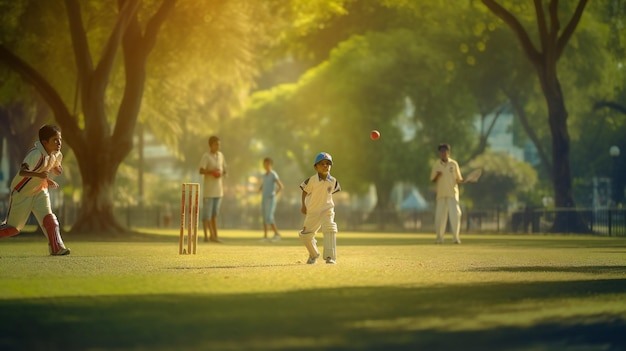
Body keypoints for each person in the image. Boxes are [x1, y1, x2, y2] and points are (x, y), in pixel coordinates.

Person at [0, 125, 70, 255]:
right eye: (55, 140)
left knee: (49, 219)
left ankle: (57, 248)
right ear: (45, 142)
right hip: (22, 192)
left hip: (40, 190)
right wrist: (39, 176)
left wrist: (52, 174)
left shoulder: (55, 154)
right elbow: (22, 172)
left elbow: (55, 167)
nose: (59, 143)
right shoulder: (35, 154)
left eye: (60, 139)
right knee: (13, 229)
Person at [298, 152, 341, 264]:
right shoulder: (312, 180)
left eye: (328, 163)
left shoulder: (334, 181)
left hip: (327, 209)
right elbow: (304, 191)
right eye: (322, 164)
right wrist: (303, 205)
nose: (325, 166)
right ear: (315, 167)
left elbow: (331, 194)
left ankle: (330, 257)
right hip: (313, 211)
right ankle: (313, 254)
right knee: (305, 235)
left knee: (330, 228)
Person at [430, 143, 463, 244]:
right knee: (440, 217)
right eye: (441, 151)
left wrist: (462, 180)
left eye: (445, 151)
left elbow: (459, 179)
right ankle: (439, 238)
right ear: (439, 153)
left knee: (455, 216)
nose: (443, 153)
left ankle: (456, 238)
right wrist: (437, 175)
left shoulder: (453, 164)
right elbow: (432, 179)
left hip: (452, 194)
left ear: (448, 152)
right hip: (441, 194)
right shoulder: (437, 165)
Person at [199, 136, 227, 243]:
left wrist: (221, 173)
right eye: (216, 144)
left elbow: (224, 169)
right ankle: (206, 236)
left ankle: (214, 236)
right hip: (209, 191)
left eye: (219, 144)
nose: (218, 146)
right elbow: (201, 170)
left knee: (214, 214)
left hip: (218, 190)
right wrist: (211, 172)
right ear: (211, 145)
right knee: (207, 215)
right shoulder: (206, 156)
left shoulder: (221, 156)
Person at [258, 157, 284, 242]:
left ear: (271, 165)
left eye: (268, 164)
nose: (266, 166)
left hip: (271, 199)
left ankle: (276, 234)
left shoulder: (273, 174)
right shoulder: (264, 175)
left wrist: (274, 194)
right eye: (265, 164)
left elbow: (280, 186)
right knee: (265, 217)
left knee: (269, 217)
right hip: (264, 198)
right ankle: (265, 236)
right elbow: (264, 184)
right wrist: (260, 189)